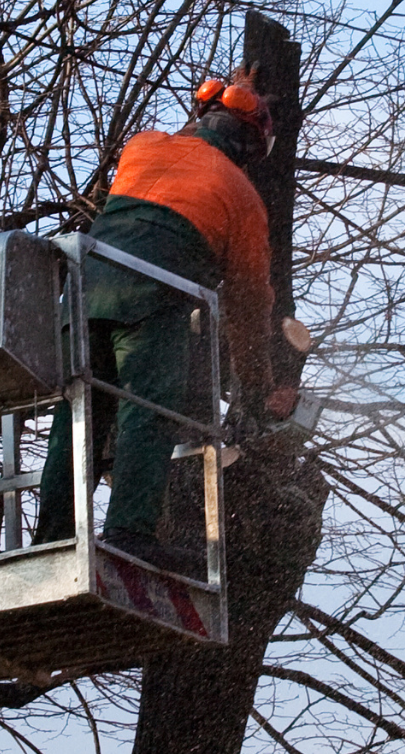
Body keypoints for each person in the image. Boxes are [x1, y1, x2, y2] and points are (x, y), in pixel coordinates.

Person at [35, 66, 298, 573]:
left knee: (78, 416)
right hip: (152, 299)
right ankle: (130, 534)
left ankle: (51, 537)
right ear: (251, 148)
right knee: (145, 413)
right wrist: (257, 382)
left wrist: (231, 90)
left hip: (82, 293)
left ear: (202, 114)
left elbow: (186, 148)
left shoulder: (143, 146)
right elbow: (247, 306)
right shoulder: (243, 199)